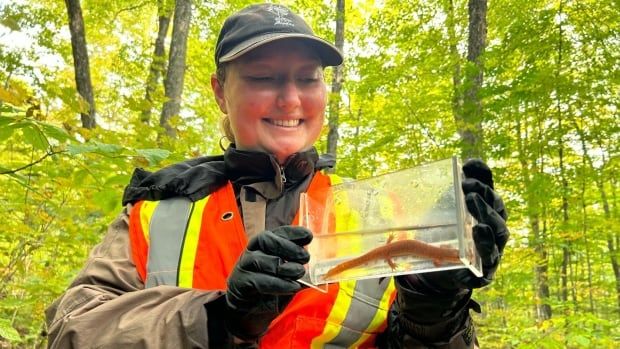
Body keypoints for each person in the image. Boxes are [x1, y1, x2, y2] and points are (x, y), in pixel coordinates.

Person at [45, 3, 509, 348]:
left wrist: (436, 308)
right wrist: (221, 318)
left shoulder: (381, 214)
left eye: (307, 79)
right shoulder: (157, 214)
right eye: (263, 78)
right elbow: (70, 330)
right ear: (220, 93)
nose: (290, 99)